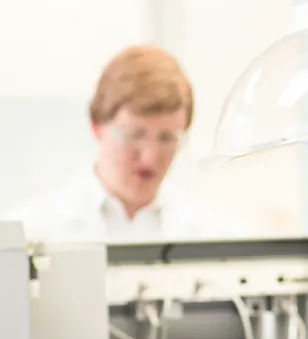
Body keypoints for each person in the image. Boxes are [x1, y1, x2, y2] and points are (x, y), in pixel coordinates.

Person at [12, 45, 216, 243]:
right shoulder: (29, 231)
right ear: (97, 126)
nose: (150, 156)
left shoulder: (214, 233)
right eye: (135, 135)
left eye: (167, 138)